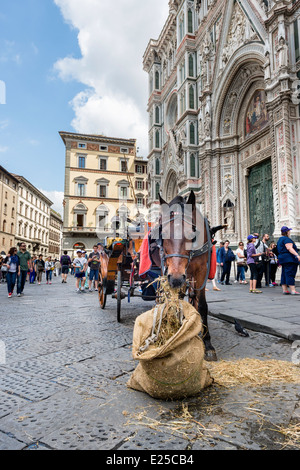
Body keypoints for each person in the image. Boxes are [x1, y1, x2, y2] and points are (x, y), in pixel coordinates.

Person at [277, 226, 300, 295]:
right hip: (289, 259)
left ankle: (285, 289)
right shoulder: (287, 239)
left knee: (284, 273)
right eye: (289, 231)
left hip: (283, 258)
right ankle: (293, 290)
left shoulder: (280, 239)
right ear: (287, 232)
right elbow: (289, 248)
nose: (290, 232)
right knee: (290, 273)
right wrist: (297, 255)